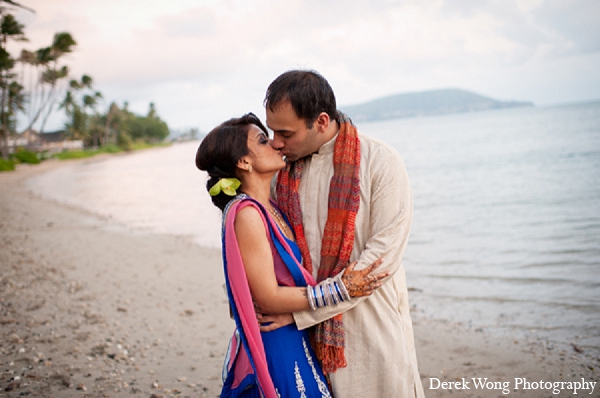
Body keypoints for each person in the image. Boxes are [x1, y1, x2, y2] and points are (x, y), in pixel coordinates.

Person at [195, 113, 388, 398]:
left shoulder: (270, 206)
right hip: (276, 341)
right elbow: (267, 297)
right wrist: (341, 290)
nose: (275, 144)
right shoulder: (247, 214)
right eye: (263, 140)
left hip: (293, 331)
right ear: (244, 162)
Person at [262, 70, 425, 397]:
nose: (276, 142)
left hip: (371, 328)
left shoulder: (380, 161)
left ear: (321, 121)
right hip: (303, 338)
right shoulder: (281, 175)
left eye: (285, 133)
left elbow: (378, 264)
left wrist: (300, 310)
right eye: (271, 132)